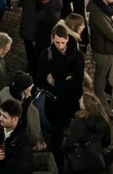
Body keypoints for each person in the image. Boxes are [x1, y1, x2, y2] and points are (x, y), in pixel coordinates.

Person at [36, 22, 85, 161]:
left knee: (70, 131)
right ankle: (59, 164)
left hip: (71, 102)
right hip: (54, 104)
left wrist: (55, 82)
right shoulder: (46, 55)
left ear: (67, 39)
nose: (60, 46)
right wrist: (67, 80)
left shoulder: (78, 56)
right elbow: (40, 81)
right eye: (57, 42)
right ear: (52, 39)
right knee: (56, 136)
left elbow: (77, 81)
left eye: (63, 42)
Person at [20, 0, 62, 79]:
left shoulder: (53, 10)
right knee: (30, 54)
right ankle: (31, 67)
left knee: (39, 57)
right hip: (29, 33)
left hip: (42, 39)